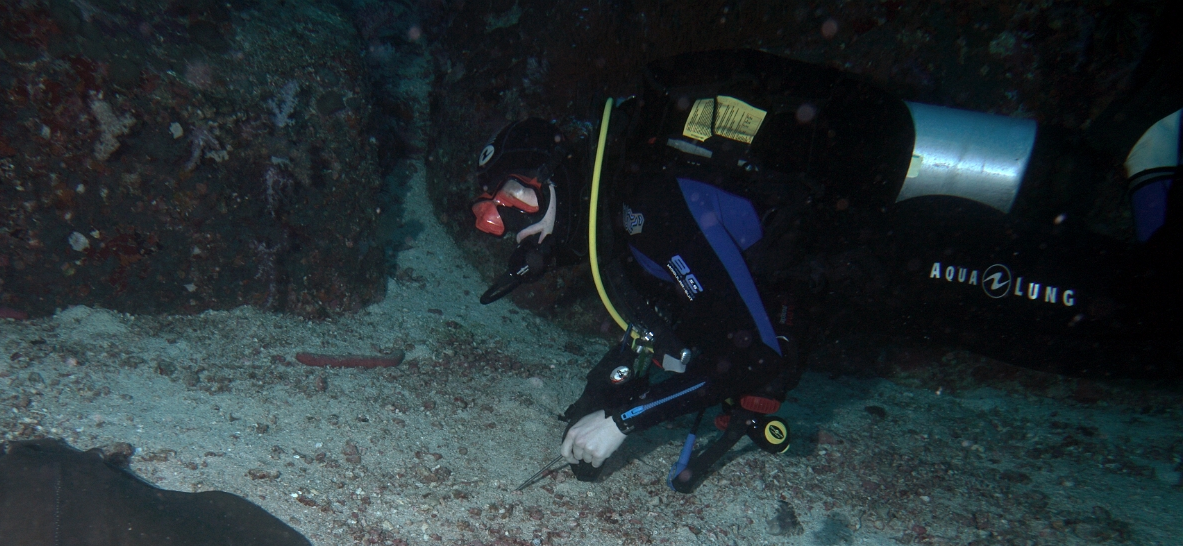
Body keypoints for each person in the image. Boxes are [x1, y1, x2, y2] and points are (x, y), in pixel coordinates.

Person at [470, 47, 1181, 492]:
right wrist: (604, 389)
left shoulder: (645, 203)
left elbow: (752, 355)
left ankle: (1155, 151)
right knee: (1096, 343)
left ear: (557, 175)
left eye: (518, 197)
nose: (513, 224)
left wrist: (625, 420)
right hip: (897, 282)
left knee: (1142, 318)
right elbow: (679, 320)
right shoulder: (632, 224)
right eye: (492, 216)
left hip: (912, 259)